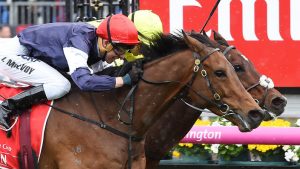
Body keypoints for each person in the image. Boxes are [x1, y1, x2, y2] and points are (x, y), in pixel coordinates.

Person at [0, 14, 140, 129]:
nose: (122, 56)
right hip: (13, 55)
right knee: (61, 85)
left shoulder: (97, 47)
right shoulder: (79, 40)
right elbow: (84, 82)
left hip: (32, 55)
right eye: (120, 50)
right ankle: (6, 107)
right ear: (105, 43)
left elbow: (97, 78)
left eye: (126, 51)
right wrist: (123, 80)